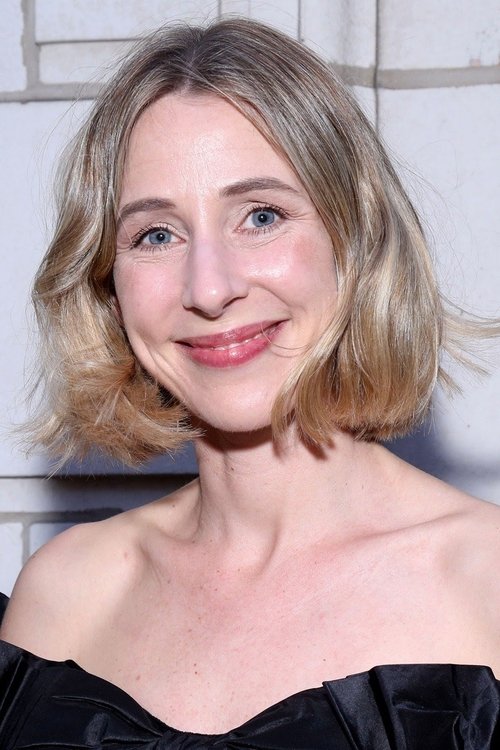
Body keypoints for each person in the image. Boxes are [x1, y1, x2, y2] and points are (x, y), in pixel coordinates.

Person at [0, 17, 499, 749]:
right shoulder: (65, 595)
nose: (209, 288)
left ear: (356, 240)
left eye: (261, 217)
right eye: (156, 234)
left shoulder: (486, 585)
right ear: (109, 284)